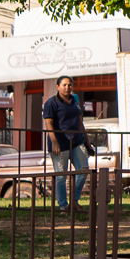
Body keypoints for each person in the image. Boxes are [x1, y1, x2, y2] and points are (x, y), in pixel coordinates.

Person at [43, 77, 89, 211]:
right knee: (61, 175)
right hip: (59, 143)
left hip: (76, 141)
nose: (67, 87)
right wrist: (54, 142)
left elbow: (80, 121)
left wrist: (86, 140)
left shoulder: (74, 100)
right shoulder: (51, 103)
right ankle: (63, 205)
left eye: (69, 85)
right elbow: (48, 124)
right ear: (57, 86)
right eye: (64, 85)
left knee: (83, 169)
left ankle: (74, 201)